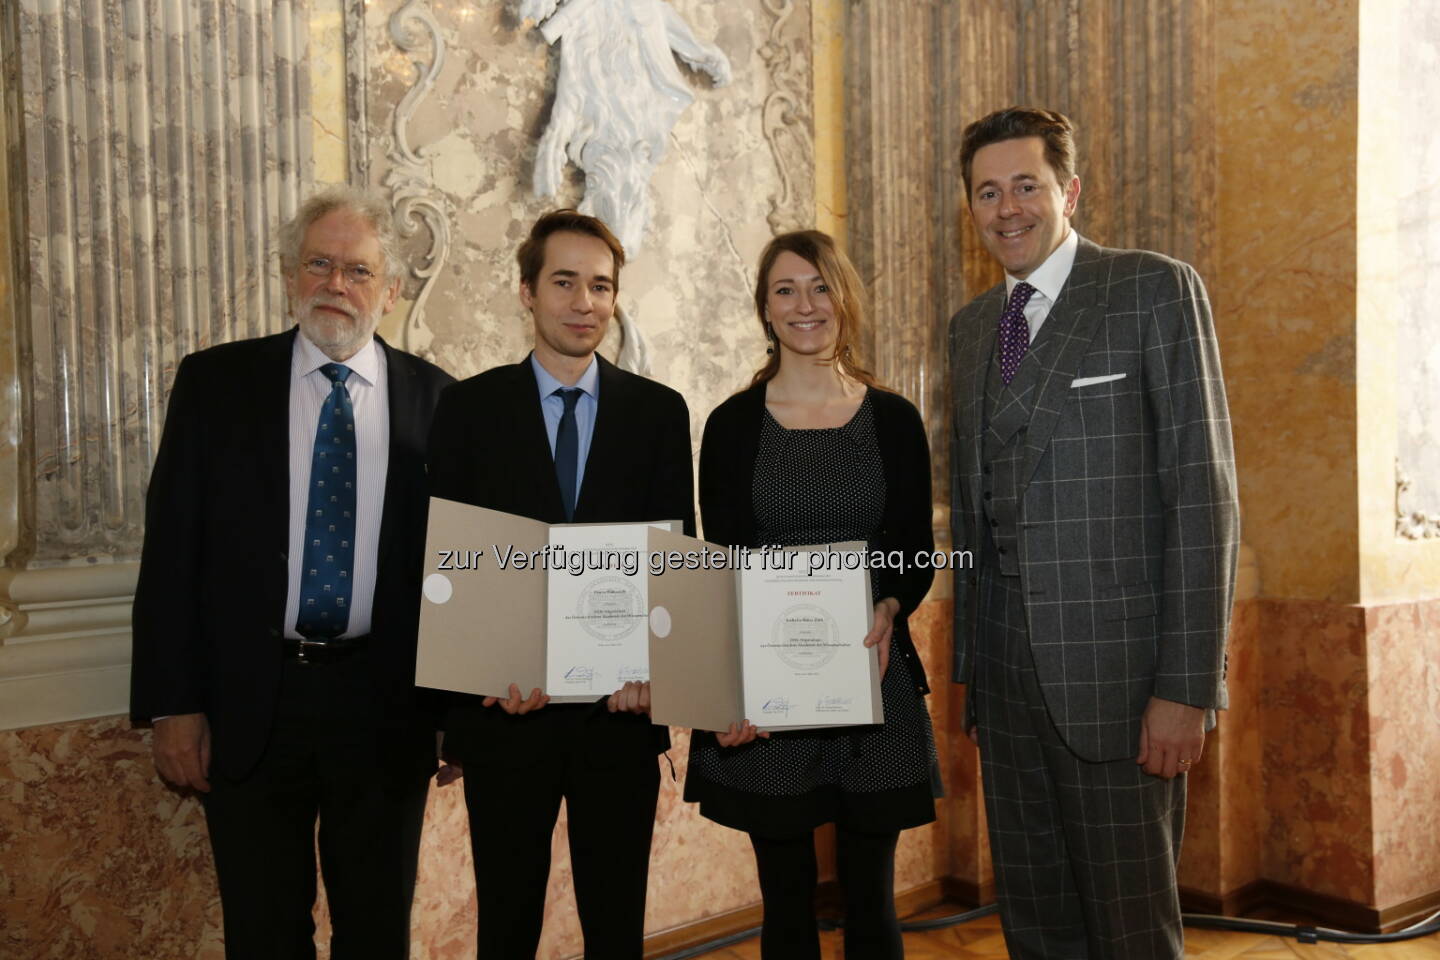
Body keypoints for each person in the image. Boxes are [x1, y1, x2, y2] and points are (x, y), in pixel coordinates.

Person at [130, 186, 456, 960]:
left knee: (376, 930)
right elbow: (172, 550)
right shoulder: (216, 386)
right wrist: (174, 705)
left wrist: (458, 708)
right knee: (265, 930)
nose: (336, 286)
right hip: (250, 703)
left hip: (386, 705)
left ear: (392, 291)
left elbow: (455, 565)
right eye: (319, 264)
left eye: (358, 270)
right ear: (288, 275)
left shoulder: (439, 400)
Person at [948, 106, 1239, 958]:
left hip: (1121, 685)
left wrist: (1187, 689)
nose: (1008, 209)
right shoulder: (972, 331)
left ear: (1069, 190)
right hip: (1005, 686)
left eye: (1026, 186)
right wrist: (972, 674)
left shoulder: (1152, 288)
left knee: (1131, 929)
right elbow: (973, 512)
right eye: (987, 192)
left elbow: (1202, 494)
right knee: (1036, 924)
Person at [426, 209, 694, 959]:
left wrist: (657, 672)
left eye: (601, 286)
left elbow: (675, 565)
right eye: (565, 282)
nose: (585, 303)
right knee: (505, 925)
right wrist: (472, 681)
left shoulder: (659, 413)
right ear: (527, 292)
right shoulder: (468, 409)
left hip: (620, 717)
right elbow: (449, 561)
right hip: (510, 714)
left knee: (616, 926)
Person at [684, 230, 941, 960]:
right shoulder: (732, 425)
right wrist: (724, 687)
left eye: (821, 286)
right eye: (786, 290)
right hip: (769, 691)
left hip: (872, 675)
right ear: (764, 309)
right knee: (787, 905)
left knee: (873, 904)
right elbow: (726, 563)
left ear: (844, 297)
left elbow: (911, 549)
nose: (806, 304)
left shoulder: (893, 419)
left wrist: (890, 603)